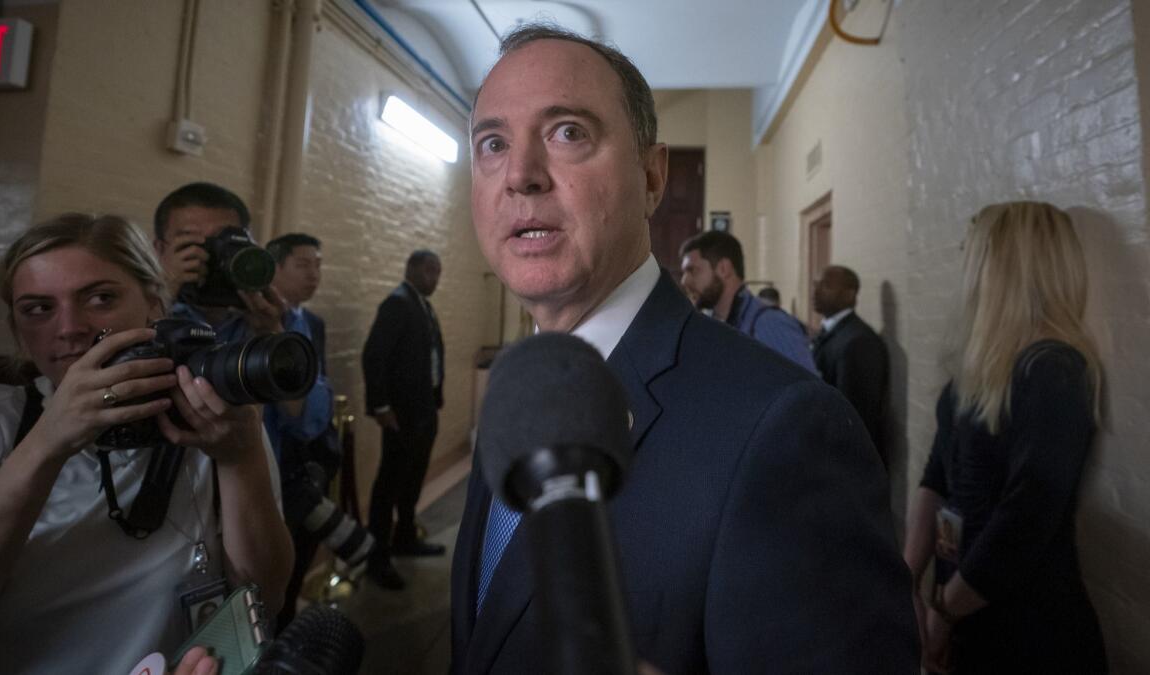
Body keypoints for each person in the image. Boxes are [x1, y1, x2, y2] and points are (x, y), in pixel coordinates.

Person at [450, 24, 916, 674]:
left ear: (651, 174)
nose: (521, 175)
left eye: (568, 132)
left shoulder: (787, 428)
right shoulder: (522, 391)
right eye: (492, 143)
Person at [0, 214, 292, 674]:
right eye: (37, 309)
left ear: (154, 303)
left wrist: (241, 456)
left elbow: (263, 599)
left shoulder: (211, 412)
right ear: (17, 329)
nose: (70, 327)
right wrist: (49, 439)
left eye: (101, 298)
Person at [904, 202, 1107, 674]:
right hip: (969, 614)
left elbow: (1026, 518)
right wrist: (907, 583)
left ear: (1003, 268)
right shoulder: (978, 371)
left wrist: (944, 612)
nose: (963, 266)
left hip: (1030, 634)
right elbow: (936, 477)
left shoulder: (1053, 370)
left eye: (971, 253)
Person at [154, 183, 330, 467]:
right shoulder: (141, 308)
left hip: (252, 482)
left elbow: (309, 422)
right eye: (194, 244)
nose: (212, 256)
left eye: (225, 241)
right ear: (160, 250)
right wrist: (162, 295)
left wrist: (271, 335)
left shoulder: (280, 318)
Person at [265, 233, 373, 628]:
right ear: (274, 267)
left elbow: (316, 390)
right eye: (303, 264)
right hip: (273, 472)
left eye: (318, 264)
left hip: (309, 467)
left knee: (292, 575)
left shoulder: (312, 323)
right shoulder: (253, 323)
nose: (315, 274)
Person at [361, 250, 446, 590]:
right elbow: (374, 356)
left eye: (438, 271)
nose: (435, 278)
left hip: (424, 409)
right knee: (389, 485)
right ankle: (377, 559)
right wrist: (380, 407)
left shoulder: (421, 304)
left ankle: (405, 537)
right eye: (430, 270)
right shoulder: (397, 303)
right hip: (401, 414)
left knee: (413, 479)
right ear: (411, 269)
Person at [680, 231, 816, 372]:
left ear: (723, 269)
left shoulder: (769, 323)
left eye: (692, 270)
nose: (684, 281)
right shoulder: (715, 324)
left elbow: (810, 392)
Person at [811, 265, 890, 458]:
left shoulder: (859, 341)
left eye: (826, 286)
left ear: (849, 295)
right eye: (817, 284)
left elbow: (853, 416)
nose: (816, 291)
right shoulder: (833, 333)